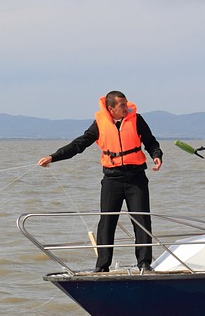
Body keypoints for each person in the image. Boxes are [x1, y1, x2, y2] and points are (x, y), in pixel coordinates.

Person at [38, 91, 163, 272]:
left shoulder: (137, 120)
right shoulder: (100, 123)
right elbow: (78, 145)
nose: (126, 108)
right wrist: (53, 157)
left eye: (126, 104)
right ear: (111, 108)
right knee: (107, 222)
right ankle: (102, 265)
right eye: (121, 105)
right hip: (112, 178)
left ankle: (144, 263)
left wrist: (156, 155)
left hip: (136, 177)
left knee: (142, 220)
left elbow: (151, 142)